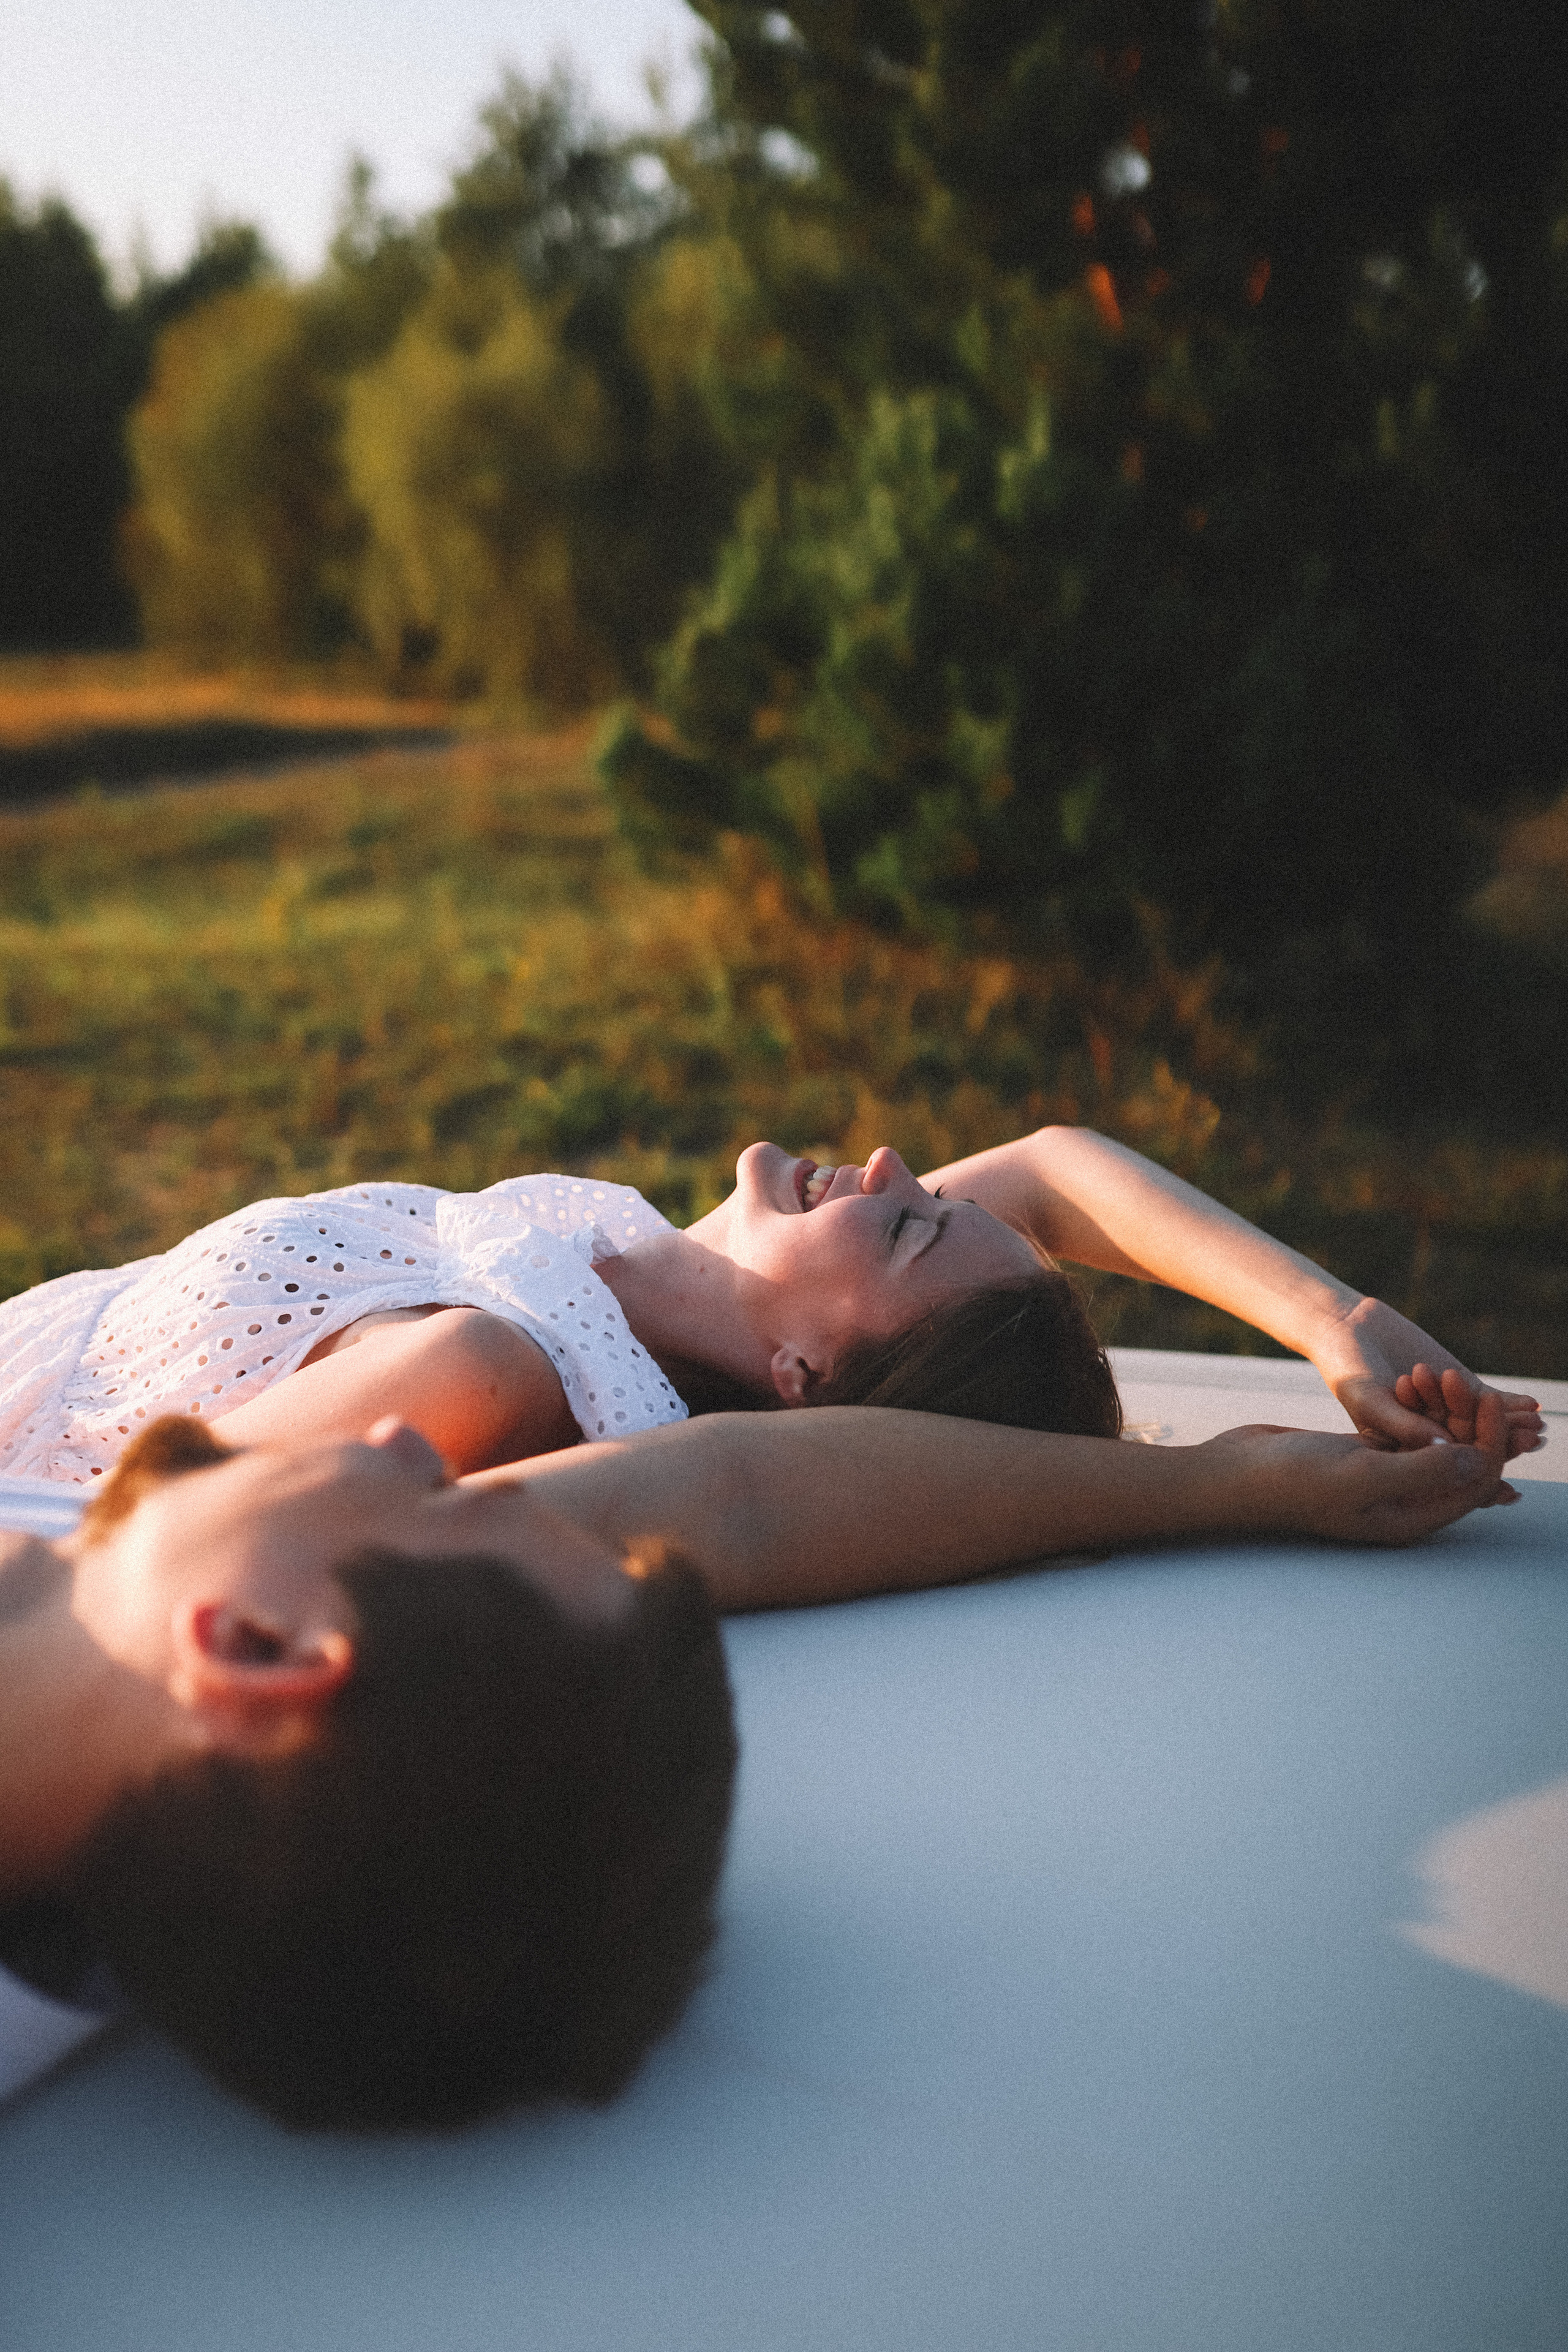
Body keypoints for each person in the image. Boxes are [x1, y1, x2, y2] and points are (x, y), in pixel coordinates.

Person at [0, 1386, 1525, 2125]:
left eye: (450, 1500)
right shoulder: (183, 1706)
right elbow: (732, 1494)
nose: (413, 1437)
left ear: (255, 1652)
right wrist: (1208, 1489)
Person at [1, 1128, 1542, 1489]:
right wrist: (1341, 1321)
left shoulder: (501, 1373)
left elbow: (126, 1531)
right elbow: (1061, 1174)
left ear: (803, 1373)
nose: (887, 1161)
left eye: (916, 1224)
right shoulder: (619, 1266)